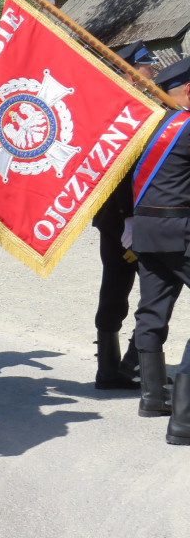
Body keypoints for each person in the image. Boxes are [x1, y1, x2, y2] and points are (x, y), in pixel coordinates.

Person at [91, 40, 158, 390]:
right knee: (121, 289)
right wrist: (127, 217)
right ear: (130, 74)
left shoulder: (151, 109)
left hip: (143, 219)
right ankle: (113, 368)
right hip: (121, 220)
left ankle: (131, 363)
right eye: (147, 65)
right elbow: (117, 175)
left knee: (152, 292)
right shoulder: (117, 115)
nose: (153, 70)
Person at [130, 56, 190, 443]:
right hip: (181, 230)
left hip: (147, 232)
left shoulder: (149, 126)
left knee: (152, 309)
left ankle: (153, 397)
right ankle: (184, 421)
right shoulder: (186, 128)